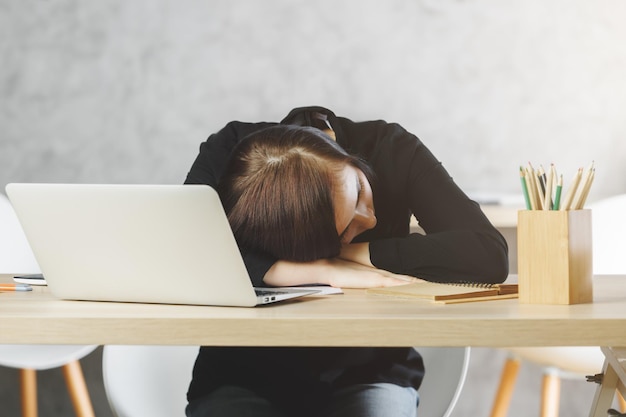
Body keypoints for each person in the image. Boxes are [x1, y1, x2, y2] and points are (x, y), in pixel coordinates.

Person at [183, 106, 509, 417]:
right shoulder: (229, 164)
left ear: (345, 157)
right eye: (344, 234)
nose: (368, 220)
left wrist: (355, 254)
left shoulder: (391, 149)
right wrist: (306, 269)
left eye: (358, 192)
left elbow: (487, 253)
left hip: (371, 370)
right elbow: (183, 251)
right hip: (243, 373)